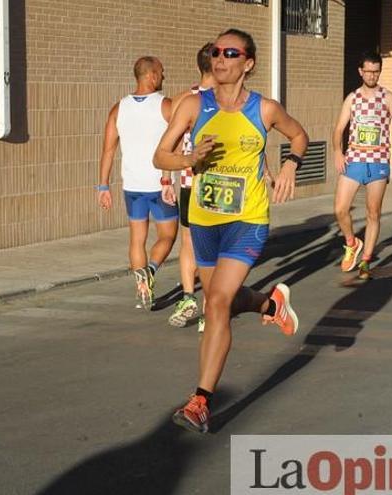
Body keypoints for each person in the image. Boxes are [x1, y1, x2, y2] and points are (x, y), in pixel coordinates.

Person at [153, 29, 308, 433]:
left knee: (217, 302)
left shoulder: (265, 109)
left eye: (229, 53)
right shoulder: (192, 105)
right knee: (222, 302)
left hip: (248, 219)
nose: (219, 59)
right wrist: (188, 156)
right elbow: (160, 156)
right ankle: (268, 304)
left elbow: (299, 135)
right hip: (204, 220)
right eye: (215, 52)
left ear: (248, 62)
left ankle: (200, 401)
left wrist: (291, 163)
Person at [97, 56, 178, 309]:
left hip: (131, 186)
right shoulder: (166, 106)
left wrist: (103, 186)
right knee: (168, 235)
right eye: (161, 73)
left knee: (136, 240)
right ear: (152, 75)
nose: (163, 77)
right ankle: (150, 271)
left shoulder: (118, 108)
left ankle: (140, 283)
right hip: (159, 185)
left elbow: (108, 150)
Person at [332, 52, 392, 280]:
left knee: (373, 212)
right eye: (368, 71)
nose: (372, 75)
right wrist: (338, 151)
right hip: (354, 159)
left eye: (376, 71)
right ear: (360, 71)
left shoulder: (388, 97)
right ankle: (351, 242)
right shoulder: (353, 98)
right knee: (340, 209)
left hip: (378, 162)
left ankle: (366, 260)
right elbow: (338, 130)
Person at [163, 43, 216, 331]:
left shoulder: (185, 99)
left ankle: (188, 296)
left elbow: (166, 143)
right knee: (213, 246)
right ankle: (207, 308)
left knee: (189, 242)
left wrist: (164, 179)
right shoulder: (229, 100)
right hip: (219, 184)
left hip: (187, 181)